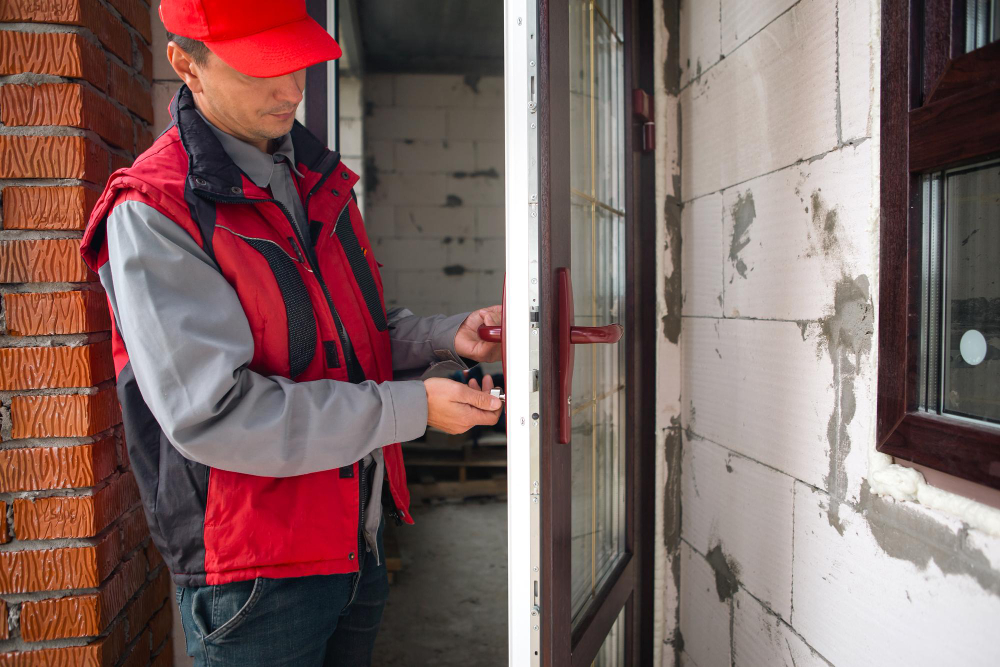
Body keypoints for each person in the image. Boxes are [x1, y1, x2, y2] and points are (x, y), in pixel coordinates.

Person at [79, 1, 503, 664]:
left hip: (354, 543)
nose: (292, 87)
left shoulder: (316, 178)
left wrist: (449, 337)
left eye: (296, 59)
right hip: (258, 579)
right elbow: (216, 413)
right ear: (186, 64)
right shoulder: (154, 212)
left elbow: (350, 337)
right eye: (259, 68)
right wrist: (413, 406)